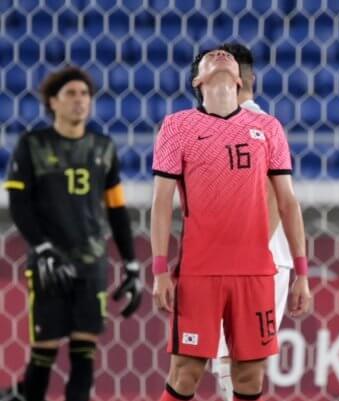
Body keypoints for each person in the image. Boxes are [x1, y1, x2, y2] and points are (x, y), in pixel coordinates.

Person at [151, 48, 311, 401]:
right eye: (210, 57)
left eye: (227, 57)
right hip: (199, 271)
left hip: (255, 272)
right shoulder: (177, 127)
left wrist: (302, 273)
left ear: (242, 80)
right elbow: (162, 202)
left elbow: (287, 201)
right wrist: (160, 270)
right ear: (198, 80)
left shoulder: (268, 128)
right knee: (186, 371)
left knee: (250, 376)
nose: (220, 55)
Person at [0, 66, 142, 401]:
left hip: (91, 262)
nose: (80, 101)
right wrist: (43, 247)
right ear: (53, 101)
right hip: (50, 262)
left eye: (85, 94)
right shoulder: (33, 145)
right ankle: (21, 394)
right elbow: (19, 204)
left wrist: (132, 265)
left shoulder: (103, 147)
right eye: (71, 94)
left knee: (84, 350)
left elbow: (117, 211)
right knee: (44, 351)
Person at [208, 42, 296, 401]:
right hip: (253, 256)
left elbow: (274, 194)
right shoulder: (253, 124)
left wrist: (251, 250)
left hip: (255, 257)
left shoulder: (252, 126)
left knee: (237, 362)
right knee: (234, 362)